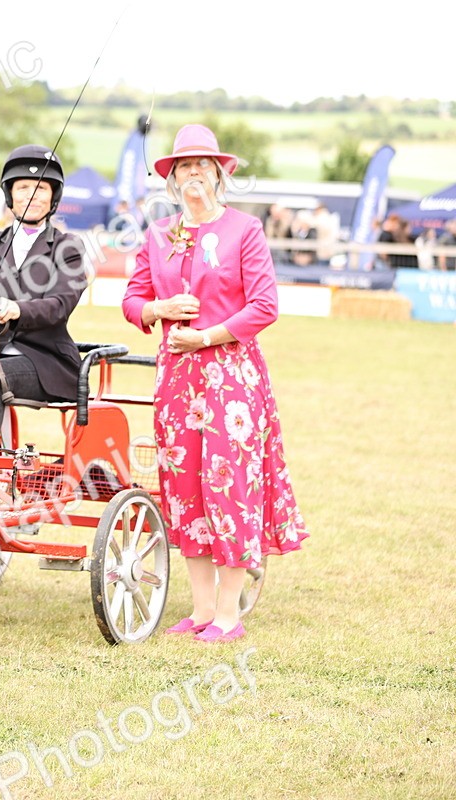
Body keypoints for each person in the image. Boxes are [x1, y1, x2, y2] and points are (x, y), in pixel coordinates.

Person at [121, 124, 308, 643]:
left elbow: (264, 305)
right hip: (177, 381)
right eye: (185, 166)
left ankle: (229, 615)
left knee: (228, 486)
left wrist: (206, 337)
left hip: (231, 379)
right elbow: (132, 300)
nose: (194, 174)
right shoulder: (159, 235)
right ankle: (202, 610)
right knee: (185, 490)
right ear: (172, 178)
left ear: (220, 174)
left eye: (204, 165)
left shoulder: (244, 230)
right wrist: (159, 308)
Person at [0, 144, 86, 451]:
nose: (31, 196)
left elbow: (61, 305)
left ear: (53, 196)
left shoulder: (69, 247)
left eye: (40, 188)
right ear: (10, 194)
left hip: (44, 359)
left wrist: (17, 309)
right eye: (23, 188)